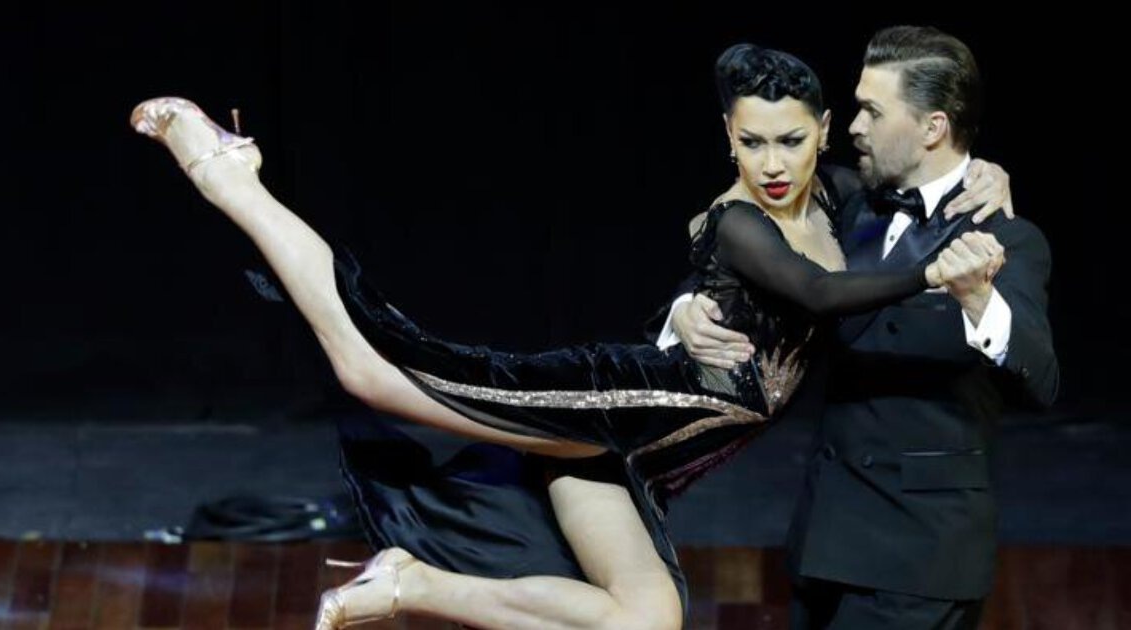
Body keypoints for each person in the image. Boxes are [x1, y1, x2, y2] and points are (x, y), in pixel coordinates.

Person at [129, 42, 1008, 630]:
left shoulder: (839, 194)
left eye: (789, 141)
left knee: (648, 617)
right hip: (618, 405)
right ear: (728, 139)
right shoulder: (740, 220)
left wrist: (987, 176)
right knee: (374, 368)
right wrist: (937, 271)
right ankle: (235, 181)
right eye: (751, 143)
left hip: (630, 460)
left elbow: (911, 195)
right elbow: (818, 291)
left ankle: (411, 583)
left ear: (821, 133)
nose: (771, 164)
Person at [668, 27, 1057, 630]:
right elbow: (737, 230)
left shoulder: (1006, 238)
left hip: (921, 562)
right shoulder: (850, 205)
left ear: (932, 127)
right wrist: (688, 303)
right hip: (825, 543)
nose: (853, 127)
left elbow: (1042, 382)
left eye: (873, 111)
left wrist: (979, 299)